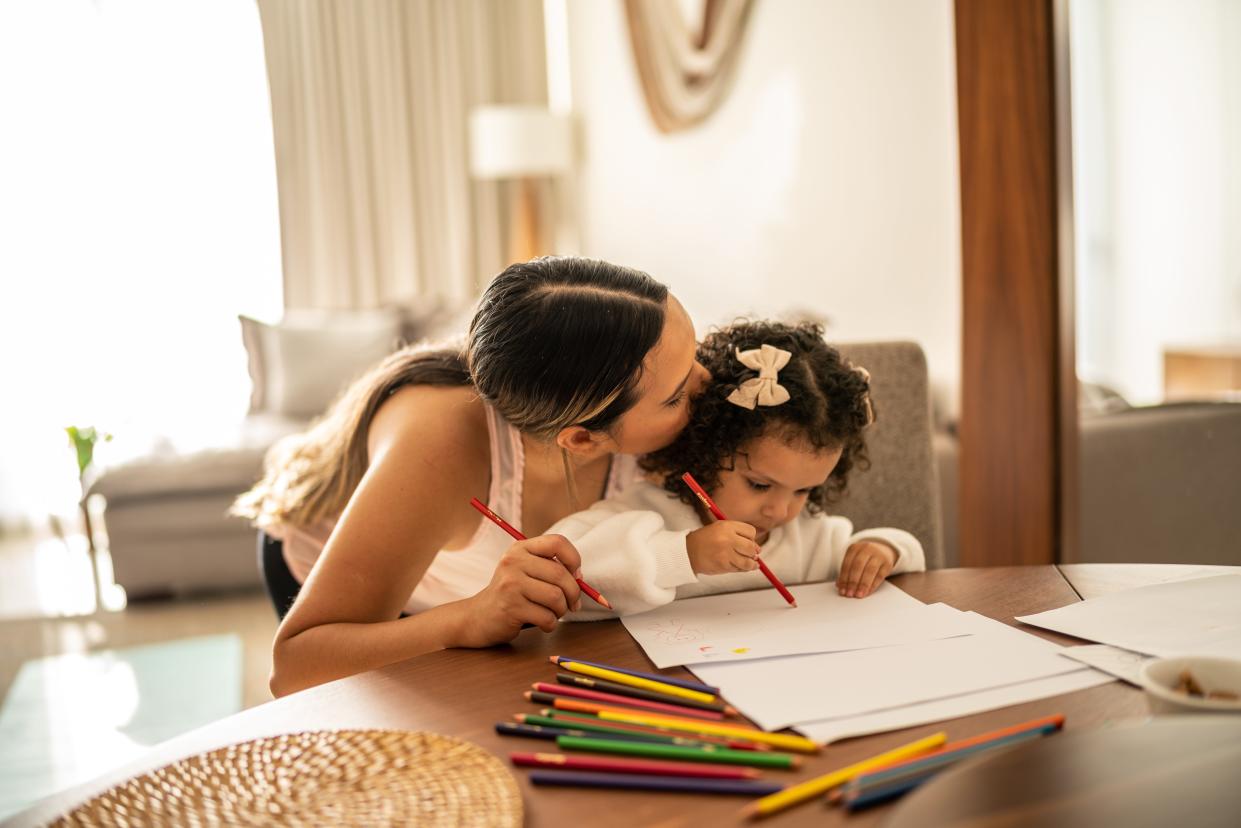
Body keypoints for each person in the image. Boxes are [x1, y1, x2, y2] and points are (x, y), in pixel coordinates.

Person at [232, 257, 710, 695]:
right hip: (343, 593)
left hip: (468, 587)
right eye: (676, 395)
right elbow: (294, 668)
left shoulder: (642, 403)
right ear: (582, 439)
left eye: (694, 356)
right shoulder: (439, 448)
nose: (707, 381)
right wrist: (467, 618)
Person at [546, 319, 926, 619]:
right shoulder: (645, 513)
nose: (781, 511)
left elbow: (897, 557)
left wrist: (885, 548)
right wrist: (686, 555)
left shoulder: (806, 537)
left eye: (803, 491)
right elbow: (566, 571)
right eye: (760, 485)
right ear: (706, 448)